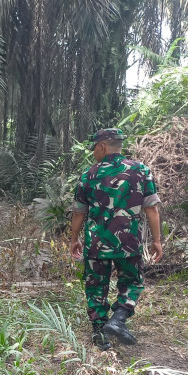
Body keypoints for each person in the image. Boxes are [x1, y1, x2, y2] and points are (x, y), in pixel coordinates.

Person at [69, 128, 163, 350]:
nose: (94, 153)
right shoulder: (141, 171)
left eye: (94, 149)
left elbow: (79, 213)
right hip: (128, 242)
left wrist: (74, 239)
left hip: (96, 243)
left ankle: (100, 334)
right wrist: (156, 240)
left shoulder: (88, 175)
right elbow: (152, 209)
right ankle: (119, 318)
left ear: (102, 146)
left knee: (95, 286)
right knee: (132, 281)